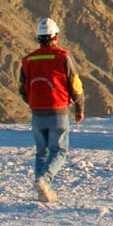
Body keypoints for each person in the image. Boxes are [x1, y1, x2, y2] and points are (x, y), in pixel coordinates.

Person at [19, 17, 84, 203]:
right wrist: (79, 107)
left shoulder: (28, 60)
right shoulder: (63, 57)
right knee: (59, 150)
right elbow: (75, 84)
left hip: (37, 112)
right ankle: (45, 181)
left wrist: (32, 101)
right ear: (55, 36)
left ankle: (43, 190)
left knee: (42, 151)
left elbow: (22, 88)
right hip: (58, 111)